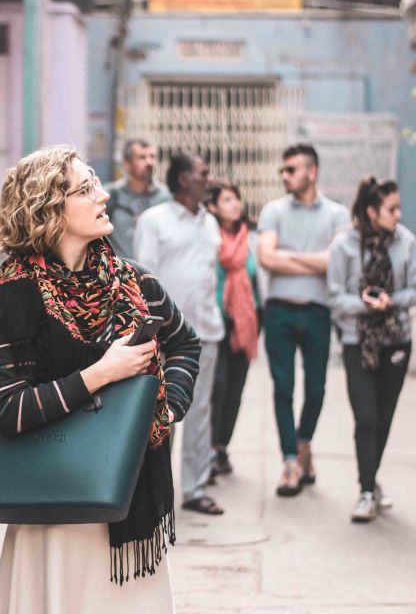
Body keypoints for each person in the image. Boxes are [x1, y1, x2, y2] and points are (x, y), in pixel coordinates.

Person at [0, 146, 202, 613]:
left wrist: (167, 408)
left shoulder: (135, 284)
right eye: (86, 189)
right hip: (53, 509)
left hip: (126, 504)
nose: (103, 195)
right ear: (48, 208)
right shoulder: (17, 294)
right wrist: (101, 374)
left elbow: (186, 344)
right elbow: (9, 408)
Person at [134, 153, 226, 516]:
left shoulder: (211, 223)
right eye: (204, 173)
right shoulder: (154, 221)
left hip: (205, 331)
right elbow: (143, 280)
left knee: (200, 412)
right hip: (165, 336)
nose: (209, 178)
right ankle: (155, 491)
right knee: (160, 412)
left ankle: (195, 488)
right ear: (184, 178)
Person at [258, 143, 350, 497]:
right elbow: (267, 258)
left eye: (291, 170)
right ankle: (290, 461)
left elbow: (335, 264)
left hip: (317, 312)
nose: (285, 176)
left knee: (316, 388)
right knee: (283, 388)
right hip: (279, 309)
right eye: (283, 170)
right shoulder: (273, 210)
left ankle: (304, 442)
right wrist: (315, 259)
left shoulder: (337, 215)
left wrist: (289, 257)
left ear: (311, 172)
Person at [327, 177, 416, 522]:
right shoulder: (344, 246)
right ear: (371, 211)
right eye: (391, 209)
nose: (398, 214)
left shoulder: (406, 243)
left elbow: (413, 289)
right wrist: (365, 306)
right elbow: (335, 298)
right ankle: (366, 490)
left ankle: (370, 481)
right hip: (357, 343)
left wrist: (392, 301)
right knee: (366, 417)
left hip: (397, 341)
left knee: (383, 418)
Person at [206, 180, 261, 477]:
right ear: (213, 206)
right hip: (215, 322)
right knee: (217, 387)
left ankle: (223, 446)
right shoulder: (207, 235)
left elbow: (257, 281)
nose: (235, 205)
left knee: (235, 389)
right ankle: (210, 448)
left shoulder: (250, 237)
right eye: (227, 200)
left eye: (236, 199)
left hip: (245, 324)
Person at [105, 138, 171, 260]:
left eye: (152, 156)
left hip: (153, 275)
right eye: (142, 157)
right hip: (120, 274)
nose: (149, 162)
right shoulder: (111, 195)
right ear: (127, 164)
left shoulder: (165, 197)